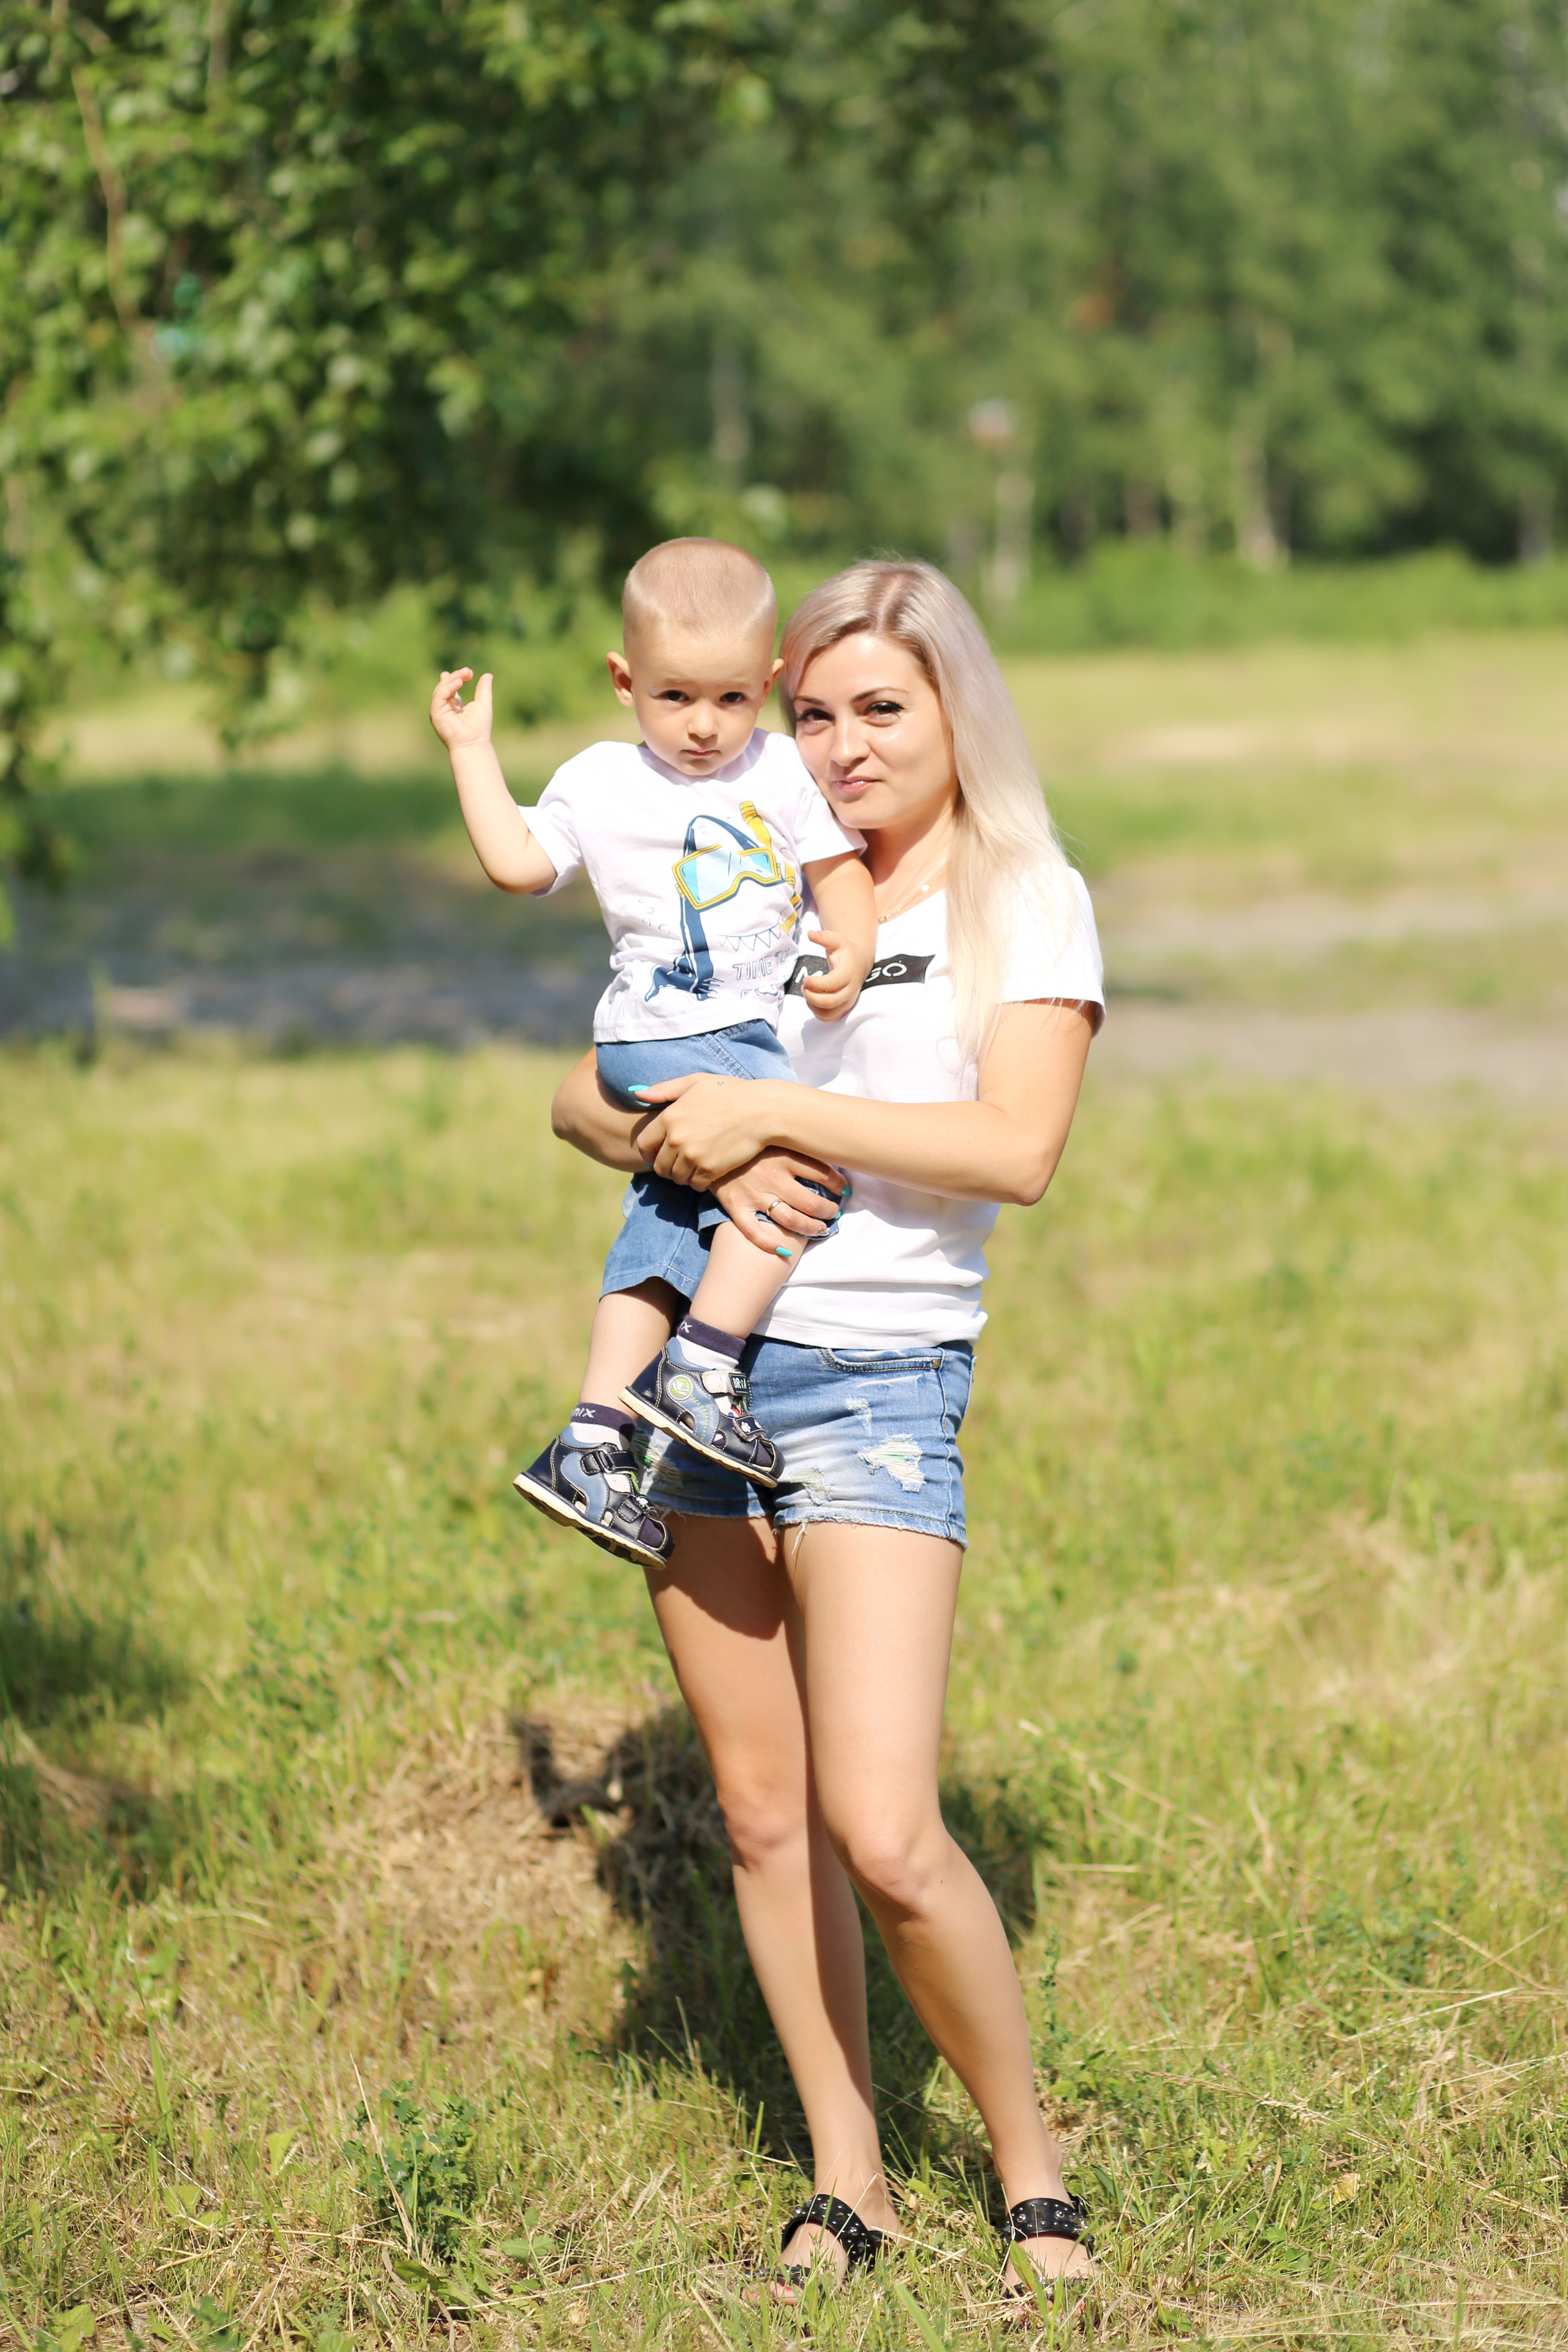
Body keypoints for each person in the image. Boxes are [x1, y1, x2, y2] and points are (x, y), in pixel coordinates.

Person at [550, 559, 1105, 2314]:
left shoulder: (1031, 896)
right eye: (817, 712)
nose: (844, 747)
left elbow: (1015, 1149)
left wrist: (778, 1106)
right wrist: (676, 1140)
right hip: (696, 1384)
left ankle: (1028, 2166)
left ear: (957, 712)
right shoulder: (750, 861)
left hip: (874, 1382)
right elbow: (585, 1090)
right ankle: (848, 2178)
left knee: (880, 1822)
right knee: (766, 1820)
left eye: (886, 709)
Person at [429, 538, 876, 1570]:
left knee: (672, 1217)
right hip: (666, 1034)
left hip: (701, 1041)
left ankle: (592, 1438)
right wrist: (470, 752)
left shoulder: (780, 770)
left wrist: (849, 947)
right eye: (675, 697)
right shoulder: (599, 781)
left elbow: (835, 873)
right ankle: (704, 1368)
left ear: (766, 683)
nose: (705, 726)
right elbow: (517, 863)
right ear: (625, 680)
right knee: (804, 1171)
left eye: (730, 698)